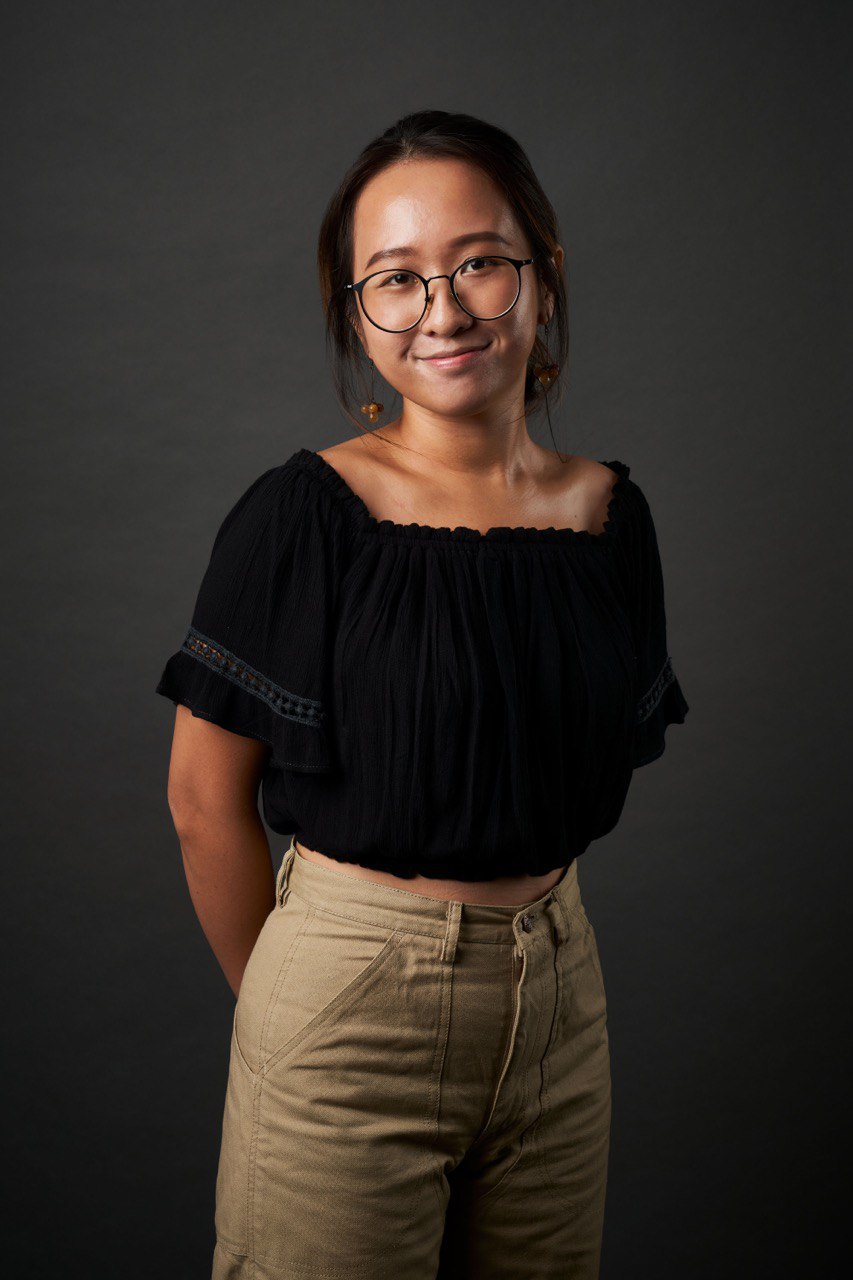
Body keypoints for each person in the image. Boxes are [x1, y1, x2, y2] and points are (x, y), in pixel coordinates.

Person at [155, 109, 689, 1280]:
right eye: (394, 280)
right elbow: (203, 799)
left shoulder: (611, 519)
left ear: (540, 276)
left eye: (477, 264)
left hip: (559, 997)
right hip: (352, 1001)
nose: (440, 310)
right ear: (356, 313)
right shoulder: (304, 517)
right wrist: (297, 1024)